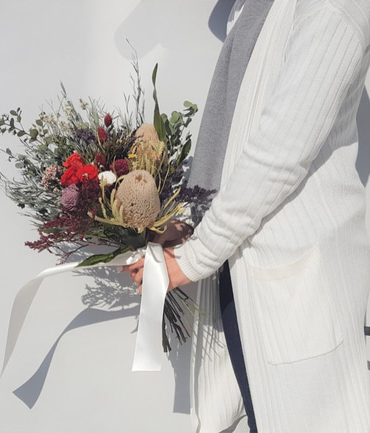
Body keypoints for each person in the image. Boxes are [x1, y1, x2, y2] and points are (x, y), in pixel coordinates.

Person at [126, 0, 370, 431]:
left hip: (297, 281)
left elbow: (280, 151)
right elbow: (231, 130)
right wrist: (187, 221)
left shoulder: (332, 6)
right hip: (243, 269)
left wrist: (196, 257)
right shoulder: (249, 8)